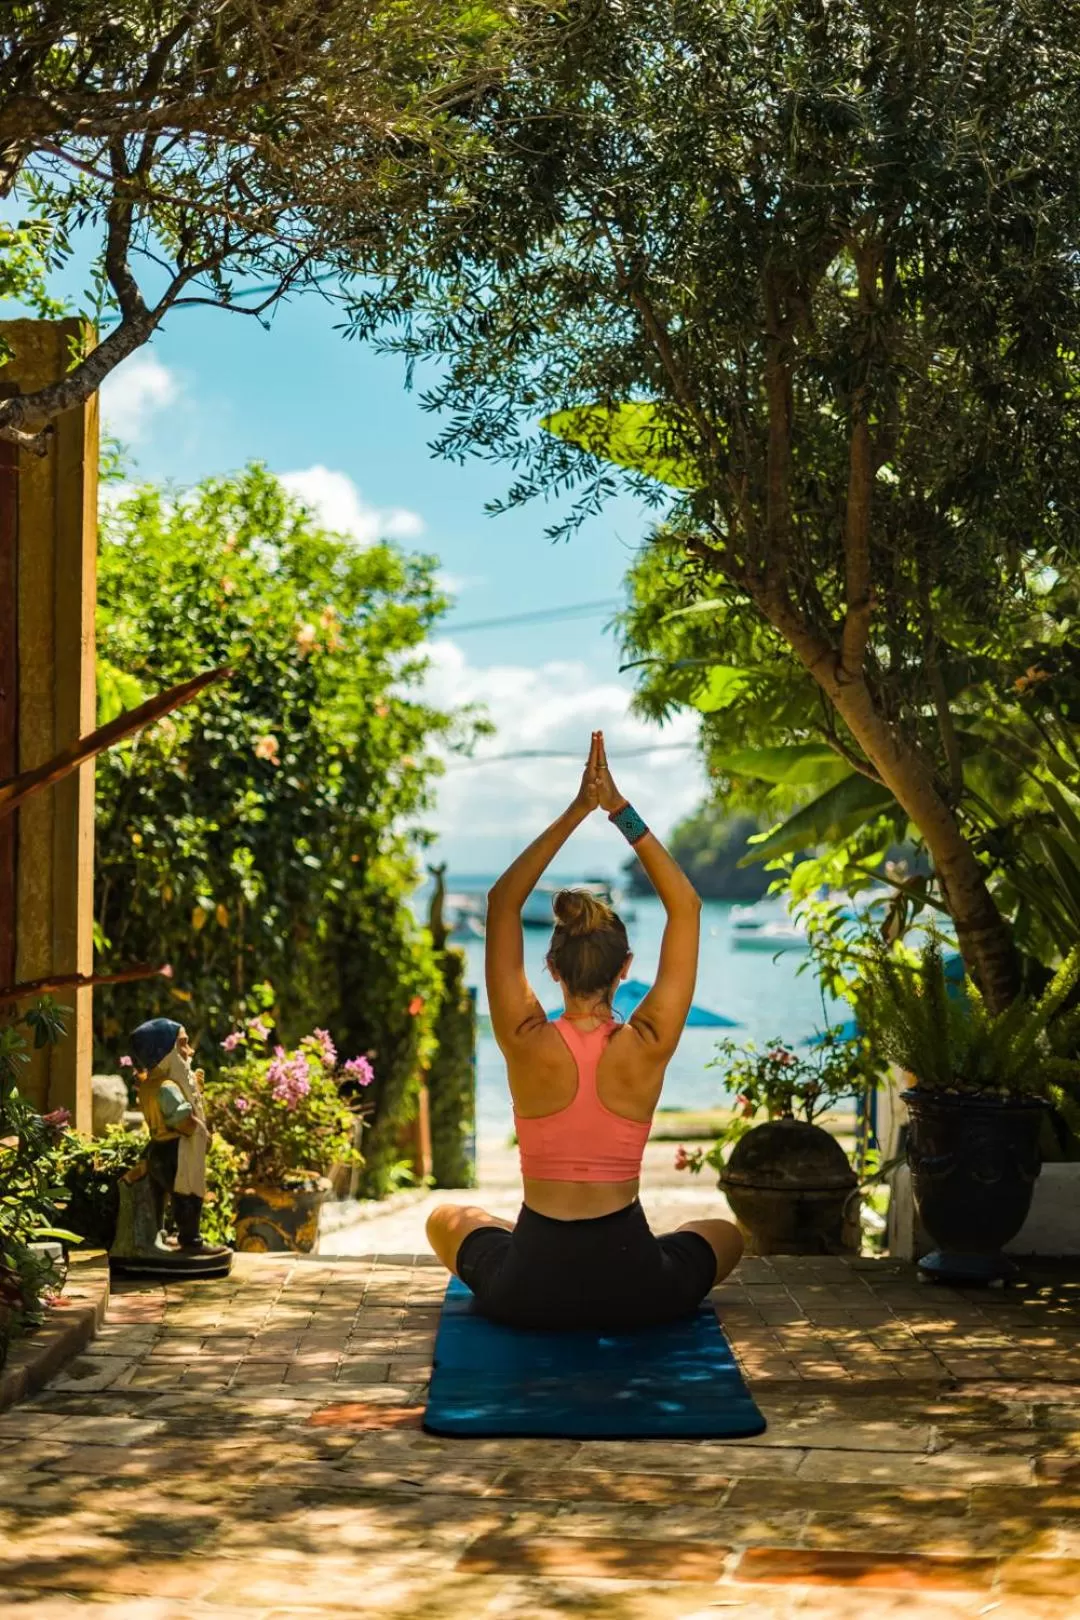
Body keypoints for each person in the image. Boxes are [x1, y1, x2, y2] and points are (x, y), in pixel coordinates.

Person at [425, 731, 743, 1330]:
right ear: (626, 969)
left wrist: (576, 810)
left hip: (527, 1288)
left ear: (551, 969)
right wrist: (618, 810)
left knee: (447, 1217)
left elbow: (501, 904)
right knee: (725, 1234)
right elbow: (687, 908)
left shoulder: (523, 1036)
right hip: (637, 1284)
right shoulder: (648, 1042)